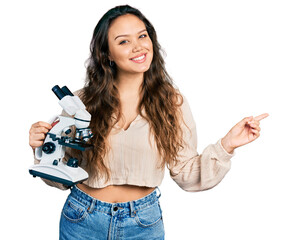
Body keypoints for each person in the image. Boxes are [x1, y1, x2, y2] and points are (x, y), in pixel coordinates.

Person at [29, 5, 268, 240]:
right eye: (123, 41)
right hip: (82, 219)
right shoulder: (79, 103)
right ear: (107, 54)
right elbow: (60, 177)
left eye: (142, 36)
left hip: (142, 223)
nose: (138, 46)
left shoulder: (172, 102)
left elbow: (187, 174)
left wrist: (227, 145)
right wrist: (40, 147)